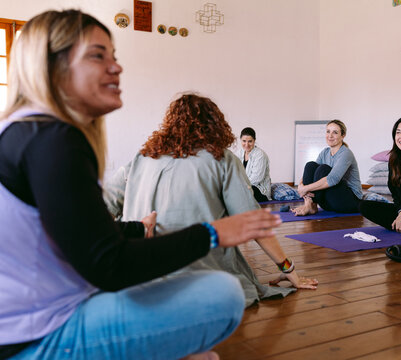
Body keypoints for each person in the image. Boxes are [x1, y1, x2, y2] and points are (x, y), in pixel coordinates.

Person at [0, 10, 282, 360]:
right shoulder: (52, 140)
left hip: (28, 319)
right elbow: (109, 265)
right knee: (222, 293)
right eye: (97, 56)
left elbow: (92, 220)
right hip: (33, 337)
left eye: (114, 57)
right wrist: (213, 233)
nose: (116, 67)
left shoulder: (25, 132)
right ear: (52, 67)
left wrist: (135, 228)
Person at [104, 94, 318, 308]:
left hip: (137, 275)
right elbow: (254, 223)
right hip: (200, 276)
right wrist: (289, 270)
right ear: (214, 125)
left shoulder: (142, 158)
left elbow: (102, 208)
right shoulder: (222, 159)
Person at [292, 119, 362, 216]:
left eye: (335, 132)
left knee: (323, 169)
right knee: (310, 165)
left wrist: (305, 188)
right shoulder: (325, 152)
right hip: (329, 202)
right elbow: (311, 171)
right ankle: (310, 206)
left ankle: (310, 205)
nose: (330, 136)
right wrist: (300, 185)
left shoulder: (346, 153)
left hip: (349, 202)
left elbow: (333, 179)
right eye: (328, 131)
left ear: (343, 135)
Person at [235, 127, 271, 202]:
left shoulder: (260, 155)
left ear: (254, 141)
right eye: (244, 141)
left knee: (241, 193)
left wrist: (240, 186)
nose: (247, 144)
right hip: (243, 186)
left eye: (250, 141)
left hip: (259, 190)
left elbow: (256, 179)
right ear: (240, 140)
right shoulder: (239, 153)